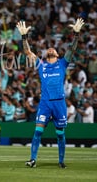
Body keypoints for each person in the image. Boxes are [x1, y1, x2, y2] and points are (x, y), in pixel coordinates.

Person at [17, 17, 85, 169]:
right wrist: (24, 36)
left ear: (57, 54)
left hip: (59, 103)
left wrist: (76, 34)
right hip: (45, 103)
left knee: (60, 135)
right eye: (48, 49)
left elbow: (72, 49)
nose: (50, 48)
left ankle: (61, 162)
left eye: (52, 49)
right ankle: (32, 160)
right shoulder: (41, 65)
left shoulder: (62, 63)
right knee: (38, 132)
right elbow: (28, 51)